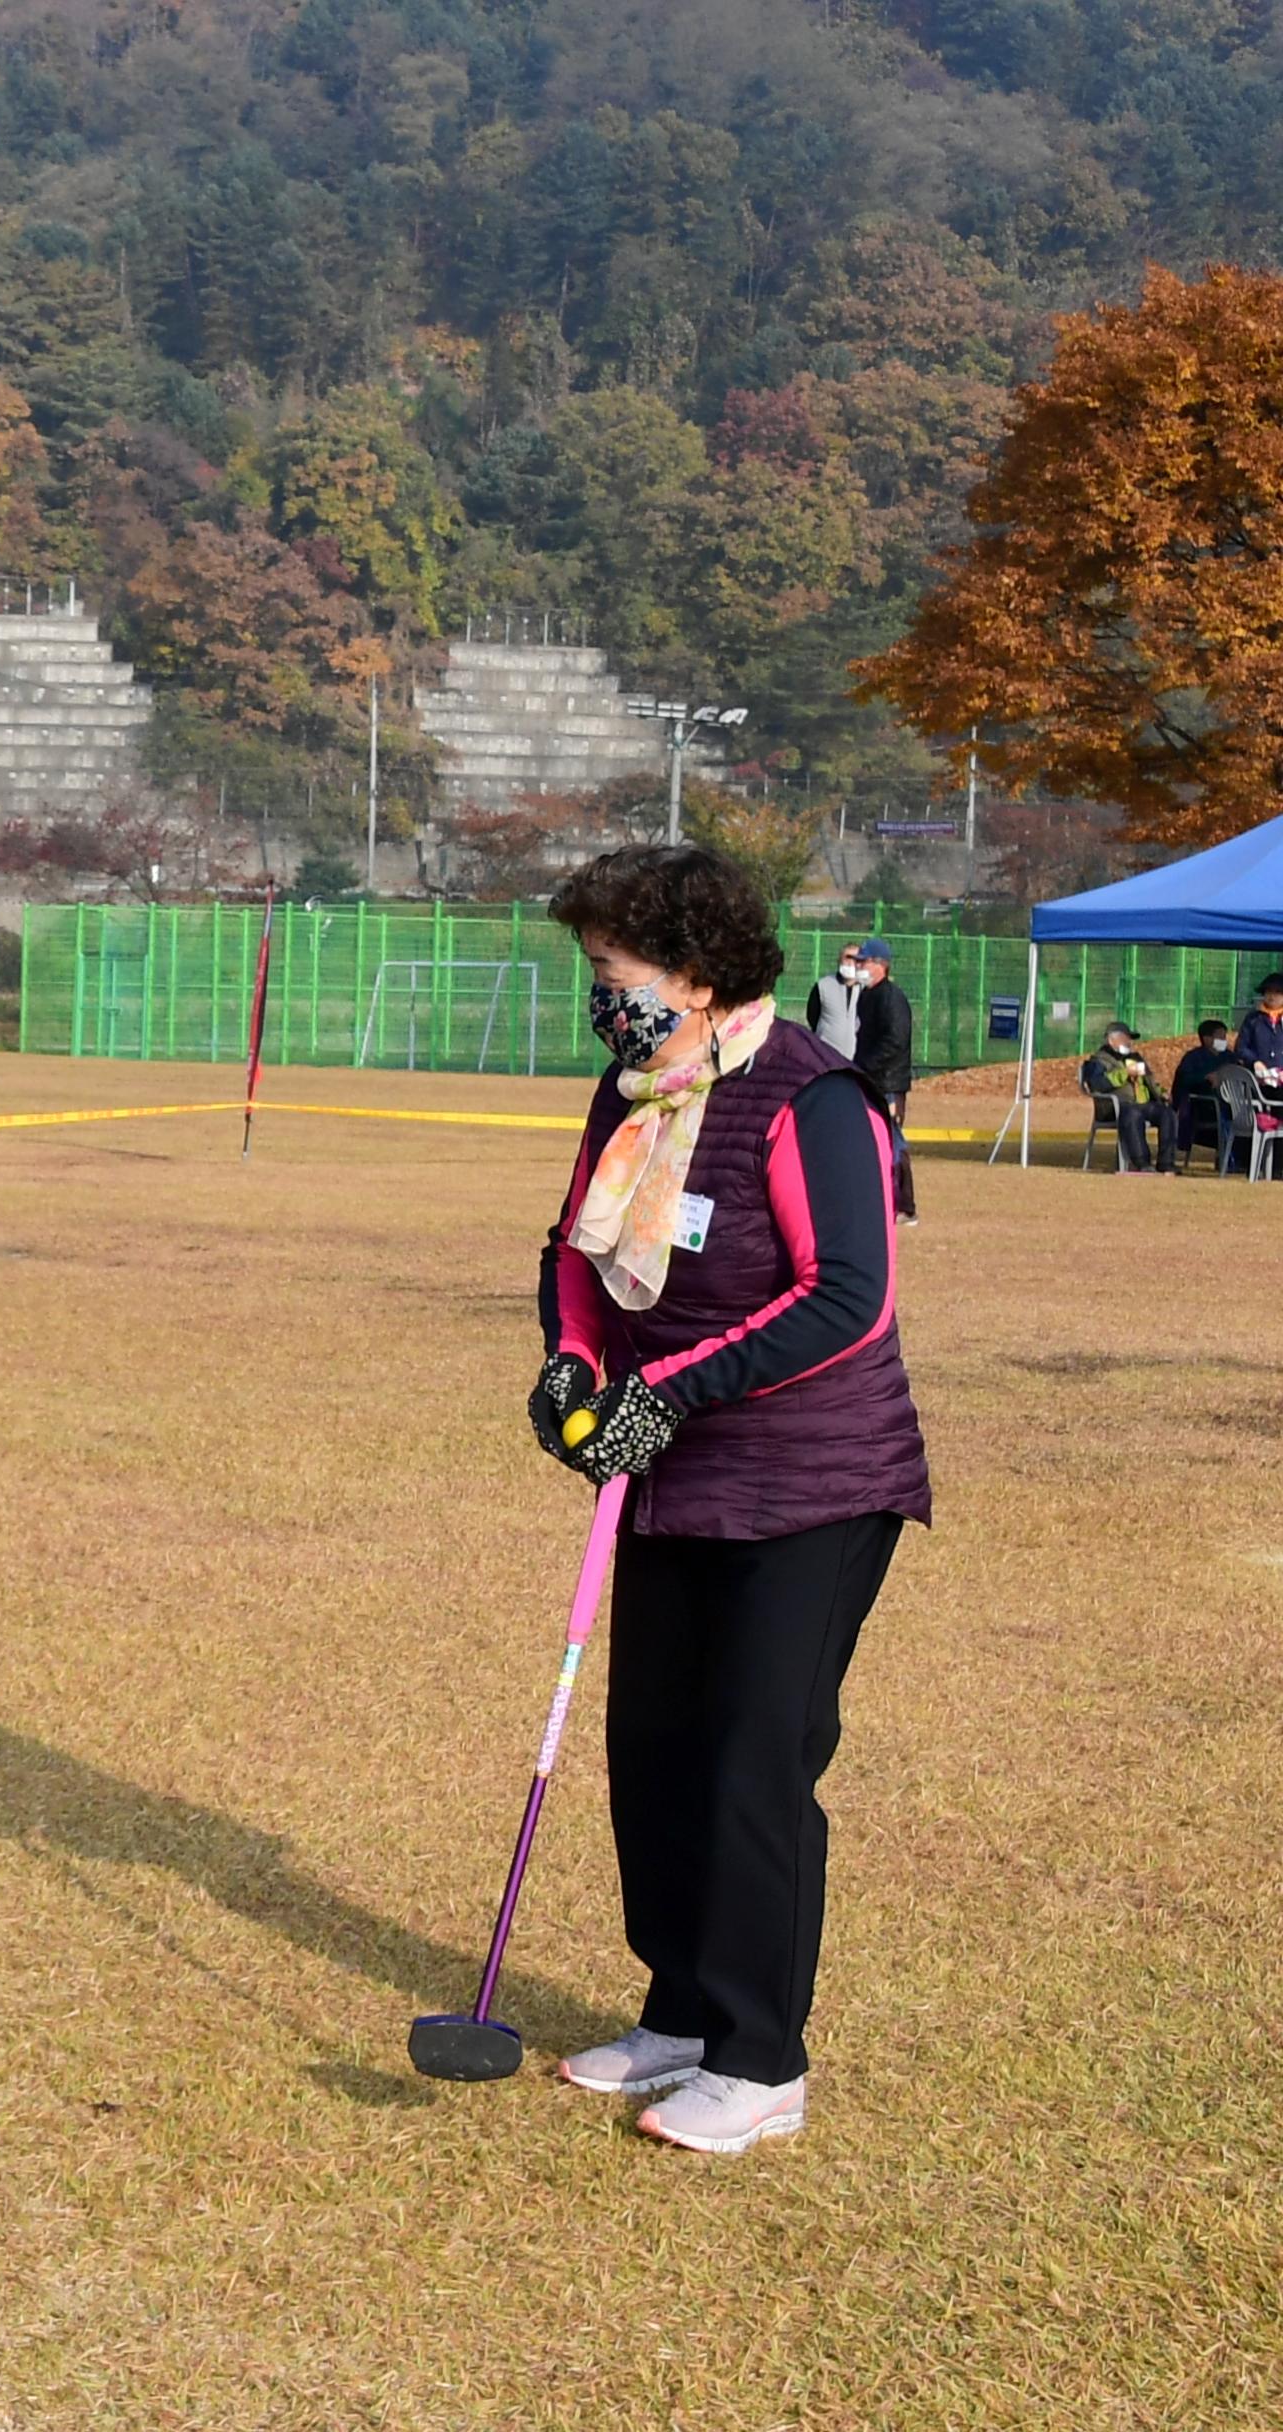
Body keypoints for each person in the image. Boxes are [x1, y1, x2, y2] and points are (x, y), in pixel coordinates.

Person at [527, 844, 930, 2157]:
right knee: (655, 1751)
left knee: (757, 1755)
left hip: (814, 1481)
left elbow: (845, 1298)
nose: (598, 996)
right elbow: (576, 1251)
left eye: (613, 971)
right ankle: (685, 2013)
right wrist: (576, 1369)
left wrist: (673, 1390)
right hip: (672, 1469)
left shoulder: (815, 1100)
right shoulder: (634, 1089)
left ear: (697, 977)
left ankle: (762, 2061)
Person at [844, 937, 915, 1223]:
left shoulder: (891, 997)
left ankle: (905, 1206)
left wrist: (865, 1066)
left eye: (862, 962)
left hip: (887, 1084)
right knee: (875, 1143)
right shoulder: (867, 996)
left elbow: (895, 1040)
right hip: (871, 1080)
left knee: (894, 1144)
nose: (857, 966)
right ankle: (883, 1201)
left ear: (879, 965)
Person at [1077, 1022, 1176, 1174]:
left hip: (1143, 1103)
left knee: (1167, 1113)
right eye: (1125, 1039)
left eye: (1130, 1039)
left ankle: (1166, 1162)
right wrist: (1124, 1074)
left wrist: (1161, 1093)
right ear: (1111, 1040)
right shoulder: (1099, 1060)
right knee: (1133, 1114)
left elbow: (1150, 1082)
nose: (1129, 1043)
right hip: (1116, 1106)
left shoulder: (1136, 1058)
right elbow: (1096, 1085)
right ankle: (1141, 1162)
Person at [1174, 1019, 1239, 1174]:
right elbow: (1184, 1081)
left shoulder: (1229, 1057)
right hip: (1204, 1106)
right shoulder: (1193, 1058)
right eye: (1220, 1037)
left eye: (1225, 1037)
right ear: (1207, 1038)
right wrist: (1205, 1077)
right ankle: (1228, 1158)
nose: (1224, 1040)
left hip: (1233, 1101)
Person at [803, 946, 867, 1063]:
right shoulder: (823, 985)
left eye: (856, 959)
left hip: (857, 1059)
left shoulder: (867, 990)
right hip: (826, 1057)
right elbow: (812, 1016)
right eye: (847, 957)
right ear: (839, 960)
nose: (851, 962)